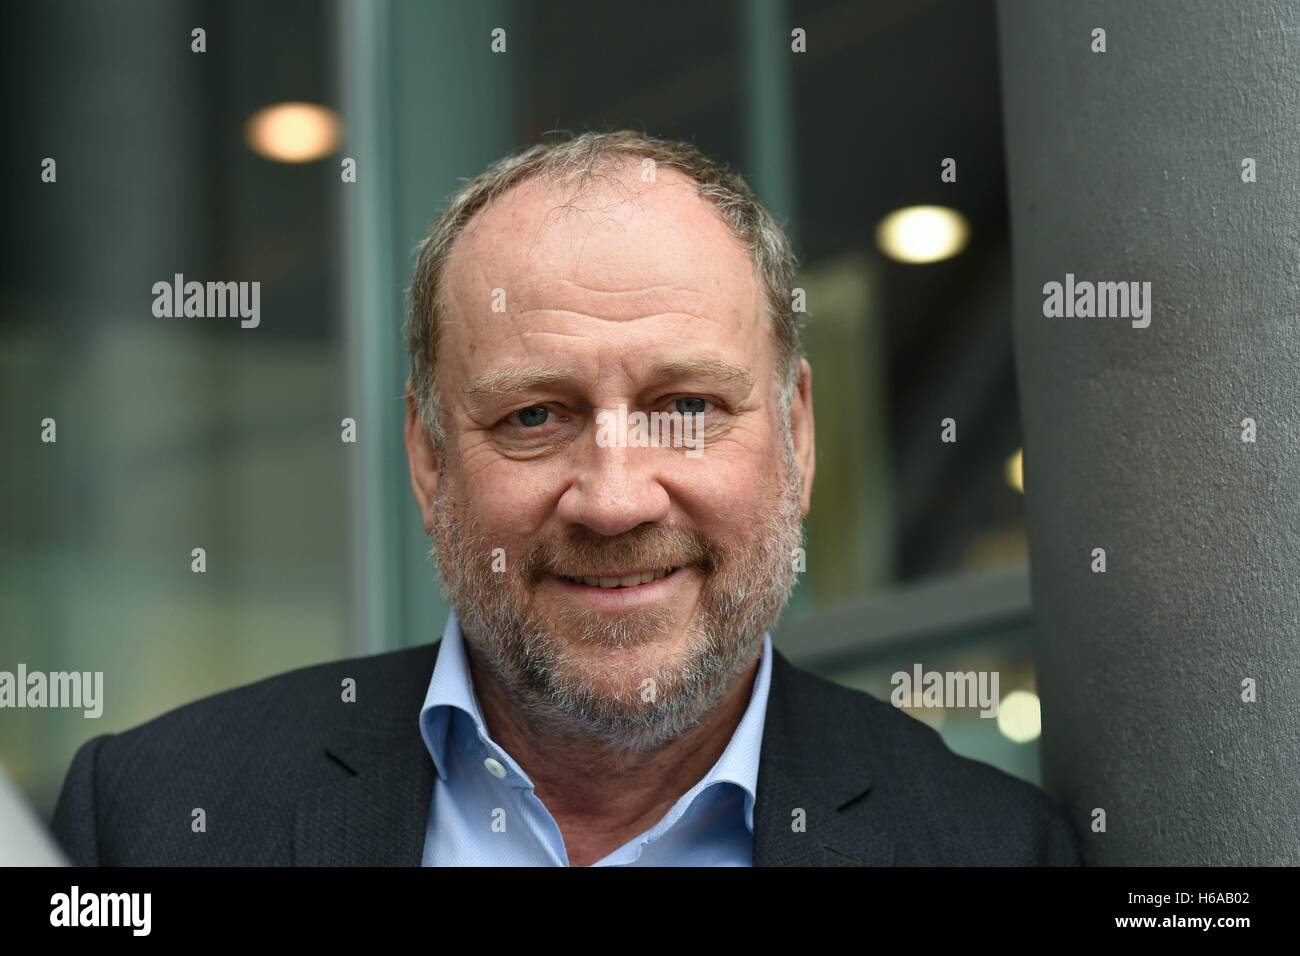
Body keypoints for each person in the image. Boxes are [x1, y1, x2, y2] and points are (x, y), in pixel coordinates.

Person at [51, 130, 1079, 866]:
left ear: (797, 434)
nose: (615, 499)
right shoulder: (152, 815)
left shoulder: (990, 846)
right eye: (534, 417)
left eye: (685, 405)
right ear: (427, 455)